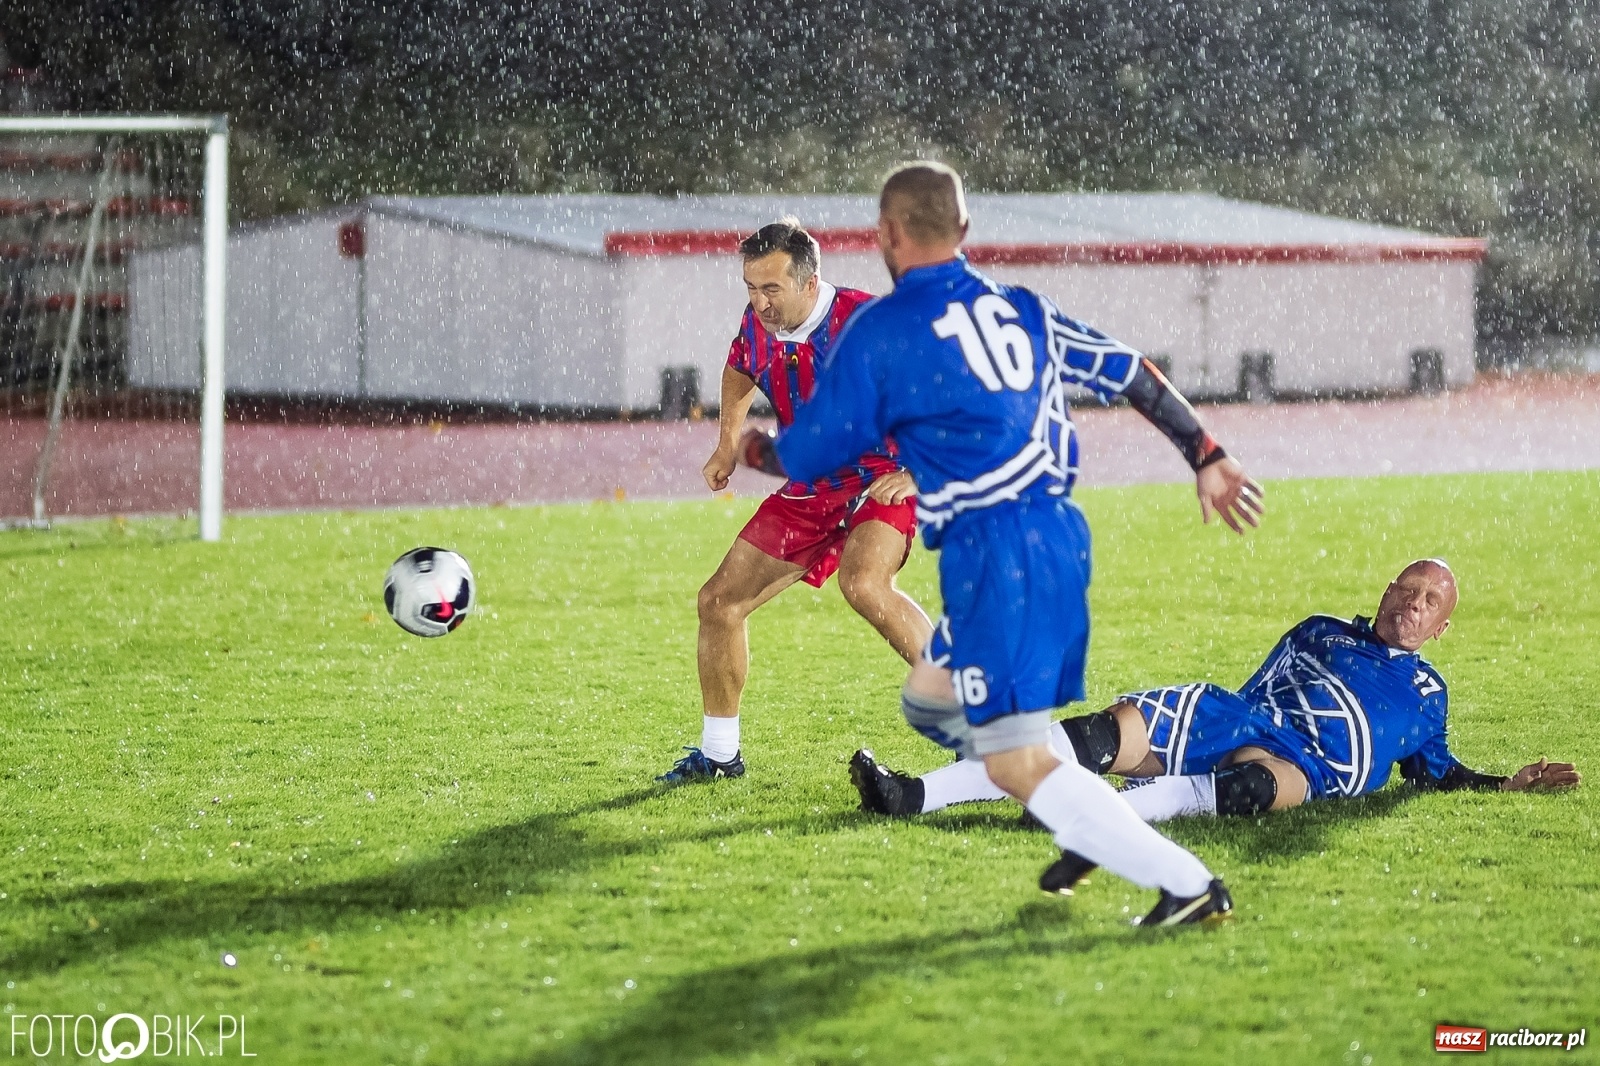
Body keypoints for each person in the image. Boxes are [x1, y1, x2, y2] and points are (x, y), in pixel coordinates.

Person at [768, 161, 1265, 926]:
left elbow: (807, 455)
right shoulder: (1023, 308)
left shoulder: (885, 328)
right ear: (963, 231)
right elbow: (1133, 372)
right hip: (1057, 539)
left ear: (887, 236)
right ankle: (1086, 820)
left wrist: (756, 449)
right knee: (941, 702)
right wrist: (1206, 453)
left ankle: (1184, 879)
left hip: (996, 552)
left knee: (1012, 755)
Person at [852, 560, 1579, 852]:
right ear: (1385, 591)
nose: (1412, 607)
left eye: (1430, 604)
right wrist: (1193, 727)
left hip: (1304, 769)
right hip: (1239, 716)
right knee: (1101, 735)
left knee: (1259, 787)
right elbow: (1257, 684)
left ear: (1442, 627)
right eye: (1405, 590)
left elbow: (1433, 773)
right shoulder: (1319, 630)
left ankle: (1096, 810)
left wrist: (1500, 784)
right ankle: (910, 795)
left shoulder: (1428, 696)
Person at [658, 219, 932, 784]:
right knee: (718, 603)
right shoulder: (760, 323)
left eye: (771, 289)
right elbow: (739, 368)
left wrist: (917, 473)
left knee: (864, 584)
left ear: (810, 283)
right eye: (751, 289)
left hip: (881, 476)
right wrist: (726, 443)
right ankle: (718, 757)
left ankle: (980, 730)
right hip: (814, 487)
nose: (758, 302)